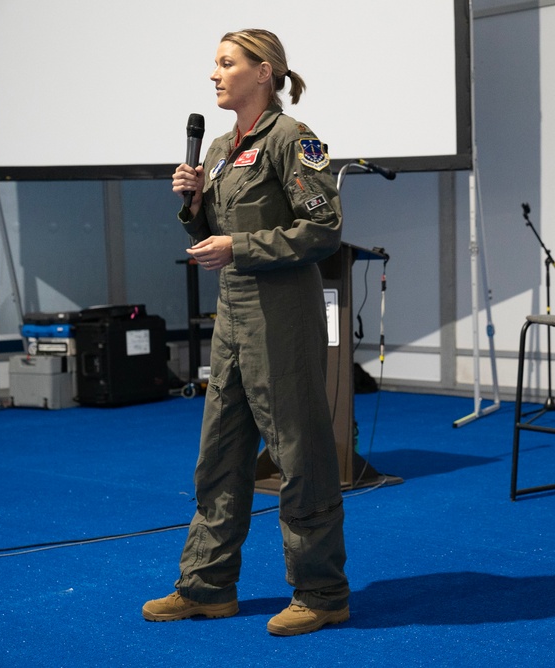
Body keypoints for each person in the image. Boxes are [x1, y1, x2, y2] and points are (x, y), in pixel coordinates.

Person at [142, 28, 350, 636]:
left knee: (298, 454)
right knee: (220, 454)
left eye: (227, 63)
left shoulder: (295, 140)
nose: (215, 73)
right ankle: (207, 586)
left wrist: (242, 244)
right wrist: (195, 206)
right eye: (215, 64)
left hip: (281, 317)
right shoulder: (220, 151)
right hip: (232, 316)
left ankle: (321, 592)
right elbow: (210, 239)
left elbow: (324, 228)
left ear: (265, 72)